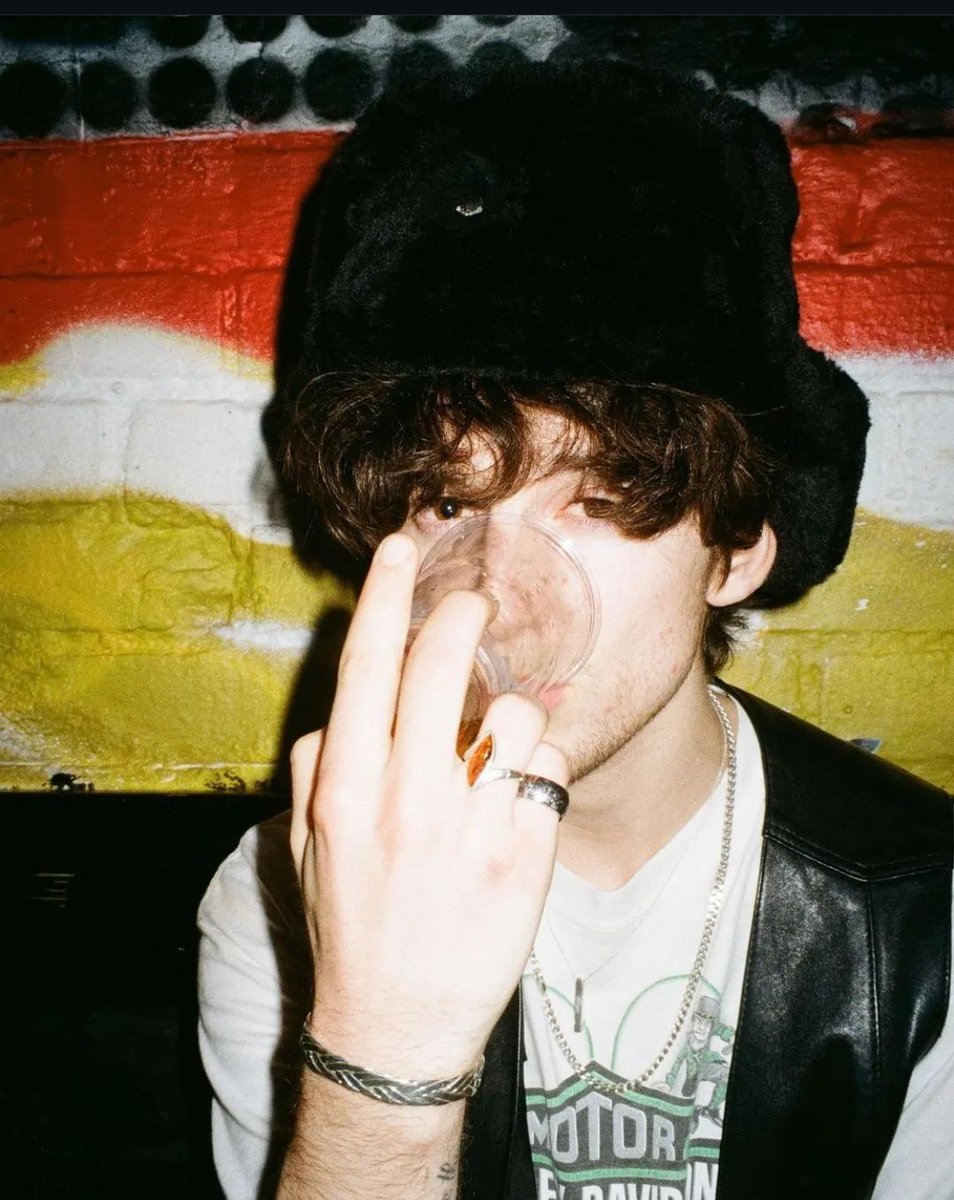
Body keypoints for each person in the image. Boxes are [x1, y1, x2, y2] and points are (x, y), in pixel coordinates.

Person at [197, 61, 953, 1200]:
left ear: (737, 550)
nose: (499, 591)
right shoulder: (281, 894)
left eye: (595, 501)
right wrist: (379, 1051)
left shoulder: (927, 918)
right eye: (446, 503)